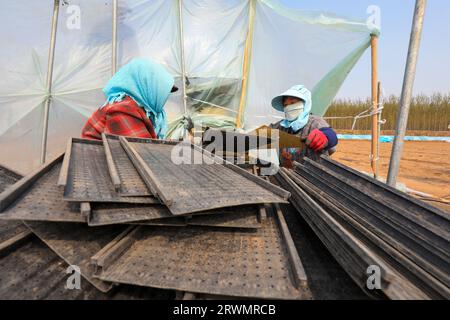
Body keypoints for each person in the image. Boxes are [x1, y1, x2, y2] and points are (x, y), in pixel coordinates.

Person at [81, 58, 178, 140]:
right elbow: (142, 153)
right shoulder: (122, 109)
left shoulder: (147, 112)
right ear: (146, 86)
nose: (164, 97)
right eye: (161, 90)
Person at [269, 84, 338, 167]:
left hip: (312, 174)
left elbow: (331, 135)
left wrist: (325, 136)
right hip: (286, 174)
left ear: (304, 104)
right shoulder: (281, 125)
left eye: (292, 103)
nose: (288, 107)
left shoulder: (314, 122)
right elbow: (265, 132)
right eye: (285, 105)